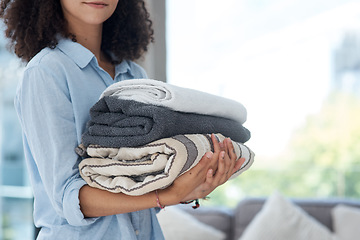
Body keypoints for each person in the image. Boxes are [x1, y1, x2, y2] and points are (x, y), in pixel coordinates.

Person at [0, 0, 245, 239]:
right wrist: (166, 196)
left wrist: (189, 188)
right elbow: (69, 198)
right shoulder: (46, 72)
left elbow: (143, 180)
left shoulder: (134, 74)